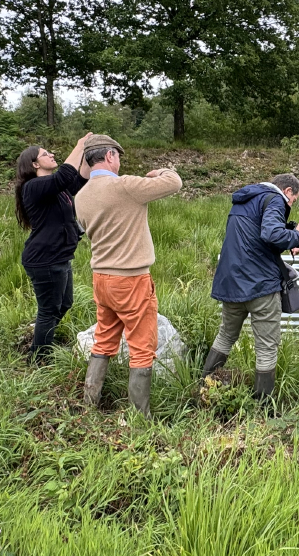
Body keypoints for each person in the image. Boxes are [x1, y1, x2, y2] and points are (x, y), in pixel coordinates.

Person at [73, 135, 183, 417]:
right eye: (118, 157)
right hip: (131, 280)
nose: (120, 163)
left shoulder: (81, 196)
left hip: (101, 278)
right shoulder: (125, 186)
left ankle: (89, 404)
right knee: (142, 346)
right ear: (110, 156)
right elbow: (174, 182)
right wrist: (158, 172)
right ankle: (140, 417)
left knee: (104, 339)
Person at [201, 174, 299, 400]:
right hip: (260, 285)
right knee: (267, 346)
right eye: (293, 200)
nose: (290, 204)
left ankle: (204, 387)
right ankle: (263, 406)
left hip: (231, 283)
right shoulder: (275, 199)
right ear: (287, 191)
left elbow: (253, 235)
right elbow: (270, 234)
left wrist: (286, 228)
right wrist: (296, 235)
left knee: (226, 336)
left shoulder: (245, 199)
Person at [14, 132, 95, 359]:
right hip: (45, 260)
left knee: (64, 304)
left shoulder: (56, 191)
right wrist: (80, 144)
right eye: (45, 154)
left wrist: (91, 155)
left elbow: (78, 179)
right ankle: (39, 357)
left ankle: (41, 334)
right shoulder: (32, 187)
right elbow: (64, 175)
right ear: (34, 164)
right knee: (49, 310)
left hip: (60, 257)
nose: (51, 155)